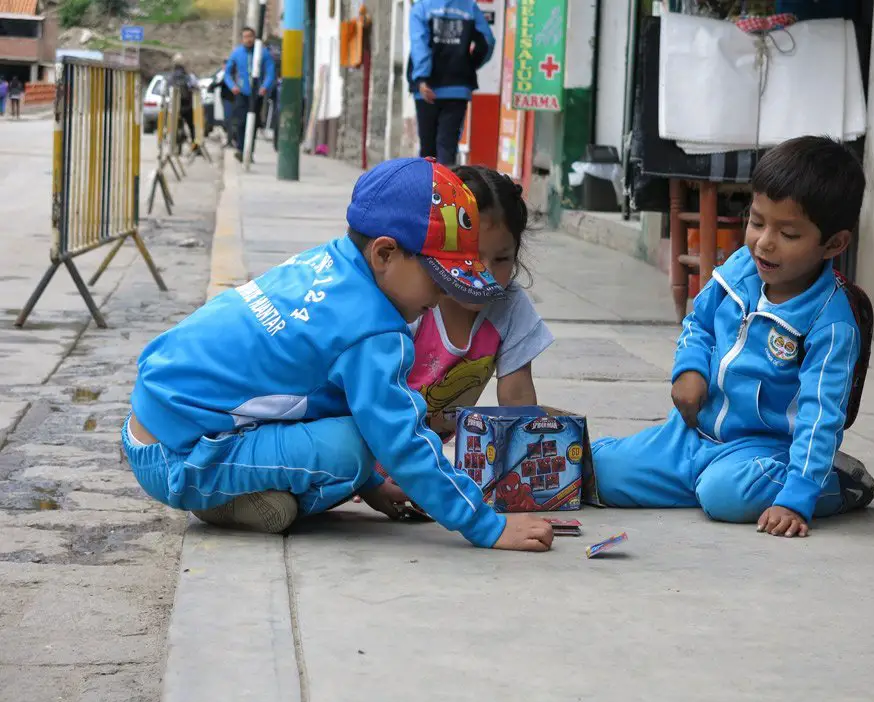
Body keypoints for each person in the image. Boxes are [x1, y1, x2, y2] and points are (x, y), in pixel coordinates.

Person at [121, 157, 553, 552]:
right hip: (180, 455)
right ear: (385, 253)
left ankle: (238, 487)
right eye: (439, 278)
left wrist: (374, 490)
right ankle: (220, 496)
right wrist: (487, 526)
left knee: (347, 429)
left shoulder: (327, 264)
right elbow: (400, 441)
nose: (443, 295)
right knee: (351, 450)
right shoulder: (373, 331)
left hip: (158, 423)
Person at [590, 136, 874, 538]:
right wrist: (688, 369)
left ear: (834, 243)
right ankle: (699, 477)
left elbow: (820, 416)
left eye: (789, 234)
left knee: (725, 495)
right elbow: (700, 323)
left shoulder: (830, 323)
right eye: (757, 221)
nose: (764, 242)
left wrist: (795, 499)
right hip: (689, 435)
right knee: (595, 470)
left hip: (763, 450)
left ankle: (834, 484)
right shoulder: (741, 268)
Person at [364, 165, 553, 513]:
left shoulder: (510, 306)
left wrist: (528, 474)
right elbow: (371, 397)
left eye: (502, 259)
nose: (485, 271)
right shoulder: (413, 300)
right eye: (472, 255)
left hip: (421, 463)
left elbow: (517, 399)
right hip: (365, 450)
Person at [407, 0, 495, 166]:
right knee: (448, 148)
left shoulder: (422, 8)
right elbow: (487, 42)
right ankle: (446, 190)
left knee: (428, 150)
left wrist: (421, 77)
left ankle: (427, 189)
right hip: (457, 88)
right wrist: (469, 64)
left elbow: (420, 44)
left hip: (426, 89)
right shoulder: (469, 7)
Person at [224, 26, 276, 161]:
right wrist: (232, 86)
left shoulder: (263, 53)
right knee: (241, 122)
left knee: (253, 123)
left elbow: (271, 72)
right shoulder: (237, 53)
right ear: (242, 39)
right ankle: (241, 149)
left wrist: (264, 86)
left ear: (254, 38)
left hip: (256, 93)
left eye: (250, 37)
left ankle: (249, 151)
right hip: (241, 92)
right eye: (245, 37)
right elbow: (227, 73)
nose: (248, 40)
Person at [167, 54, 198, 151]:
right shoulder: (188, 77)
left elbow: (168, 90)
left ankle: (175, 146)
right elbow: (194, 87)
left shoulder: (171, 78)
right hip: (187, 106)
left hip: (176, 107)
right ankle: (195, 146)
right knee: (192, 126)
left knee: (174, 126)